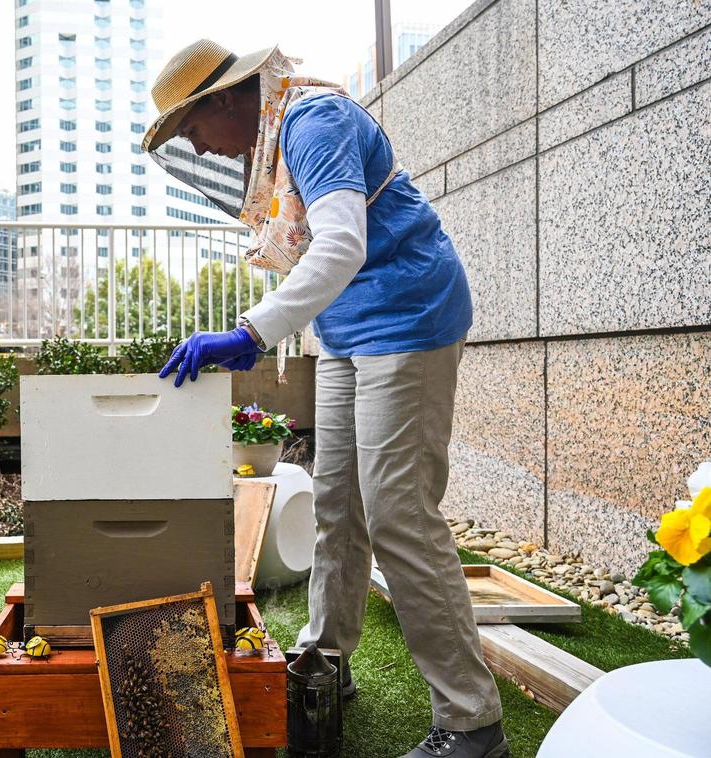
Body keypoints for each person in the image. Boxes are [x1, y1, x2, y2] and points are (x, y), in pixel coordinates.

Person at [143, 40, 508, 758]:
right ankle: (322, 664)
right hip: (345, 331)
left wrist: (248, 332)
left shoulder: (314, 124)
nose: (205, 152)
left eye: (193, 132)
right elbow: (326, 261)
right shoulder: (278, 137)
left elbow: (340, 246)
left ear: (222, 100)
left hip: (408, 317)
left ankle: (472, 723)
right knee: (336, 501)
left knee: (399, 511)